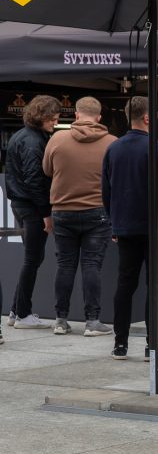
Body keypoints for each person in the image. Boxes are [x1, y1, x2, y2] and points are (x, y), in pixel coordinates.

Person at [102, 96, 158, 360]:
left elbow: (106, 191)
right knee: (156, 285)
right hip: (157, 229)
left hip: (126, 227)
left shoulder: (113, 149)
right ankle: (154, 343)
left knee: (125, 284)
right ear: (148, 118)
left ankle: (120, 343)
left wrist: (114, 221)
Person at [42, 97, 117, 336]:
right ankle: (92, 321)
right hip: (97, 212)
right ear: (99, 117)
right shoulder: (111, 143)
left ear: (76, 115)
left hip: (63, 211)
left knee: (65, 265)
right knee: (91, 265)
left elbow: (47, 170)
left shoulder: (57, 139)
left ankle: (60, 320)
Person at [5, 95, 59, 330]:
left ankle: (17, 310)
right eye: (52, 119)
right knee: (32, 258)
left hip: (22, 203)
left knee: (32, 257)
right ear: (42, 116)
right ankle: (23, 313)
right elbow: (34, 180)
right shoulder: (33, 140)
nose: (55, 123)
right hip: (31, 206)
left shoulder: (23, 136)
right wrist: (46, 214)